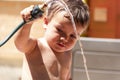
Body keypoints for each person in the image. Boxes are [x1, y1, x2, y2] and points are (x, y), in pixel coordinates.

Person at [14, 0, 89, 80]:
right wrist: (27, 23)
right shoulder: (36, 46)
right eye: (59, 30)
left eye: (73, 36)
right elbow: (20, 44)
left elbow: (66, 76)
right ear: (46, 22)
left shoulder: (67, 53)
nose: (65, 39)